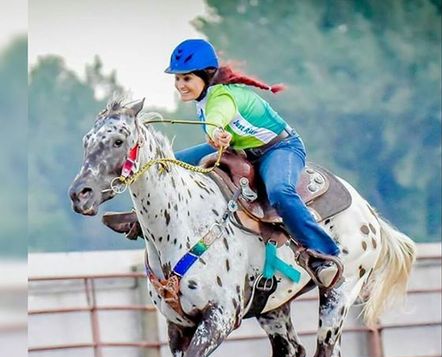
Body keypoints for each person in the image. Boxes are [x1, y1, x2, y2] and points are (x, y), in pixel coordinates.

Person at [107, 39, 342, 288]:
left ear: (206, 76)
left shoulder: (221, 97)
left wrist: (216, 132)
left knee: (280, 193)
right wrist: (219, 136)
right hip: (240, 149)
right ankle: (142, 219)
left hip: (280, 148)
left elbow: (218, 118)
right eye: (177, 79)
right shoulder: (205, 98)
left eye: (186, 79)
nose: (180, 86)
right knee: (168, 163)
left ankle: (325, 254)